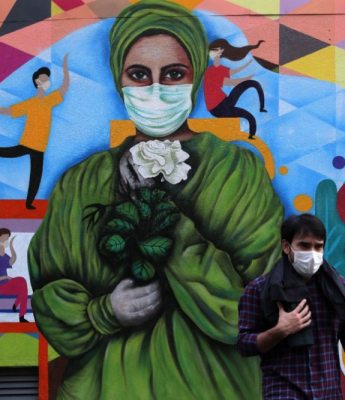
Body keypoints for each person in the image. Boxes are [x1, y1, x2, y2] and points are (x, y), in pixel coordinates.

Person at [28, 2, 283, 399]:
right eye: (139, 75)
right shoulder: (82, 182)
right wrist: (104, 312)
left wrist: (169, 222)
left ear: (196, 76)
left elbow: (252, 309)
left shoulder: (236, 173)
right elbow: (50, 296)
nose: (156, 89)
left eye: (174, 74)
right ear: (119, 79)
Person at [237, 213, 345, 399]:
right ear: (286, 246)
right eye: (304, 246)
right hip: (284, 390)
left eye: (318, 246)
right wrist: (279, 331)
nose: (312, 253)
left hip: (328, 392)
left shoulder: (337, 288)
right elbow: (244, 344)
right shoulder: (260, 289)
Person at [0, 54, 70, 209]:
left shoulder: (49, 101)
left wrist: (64, 68)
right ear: (37, 82)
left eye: (48, 79)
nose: (47, 82)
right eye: (44, 79)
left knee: (36, 177)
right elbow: (8, 111)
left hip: (40, 147)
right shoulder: (30, 103)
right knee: (1, 152)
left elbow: (64, 88)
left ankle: (29, 203)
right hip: (27, 144)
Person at [204, 38, 266, 139]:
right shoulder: (212, 70)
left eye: (216, 50)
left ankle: (260, 111)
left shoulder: (217, 69)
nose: (212, 52)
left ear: (221, 51)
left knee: (253, 85)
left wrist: (247, 68)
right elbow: (229, 81)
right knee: (249, 116)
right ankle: (252, 135)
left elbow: (231, 76)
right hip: (219, 107)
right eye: (214, 50)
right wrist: (246, 76)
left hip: (223, 103)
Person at [0, 228, 29, 323]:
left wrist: (11, 246)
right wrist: (3, 277)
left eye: (7, 239)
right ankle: (19, 311)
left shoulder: (4, 256)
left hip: (6, 285)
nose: (6, 241)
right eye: (4, 239)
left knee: (22, 284)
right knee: (22, 282)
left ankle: (20, 313)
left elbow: (12, 260)